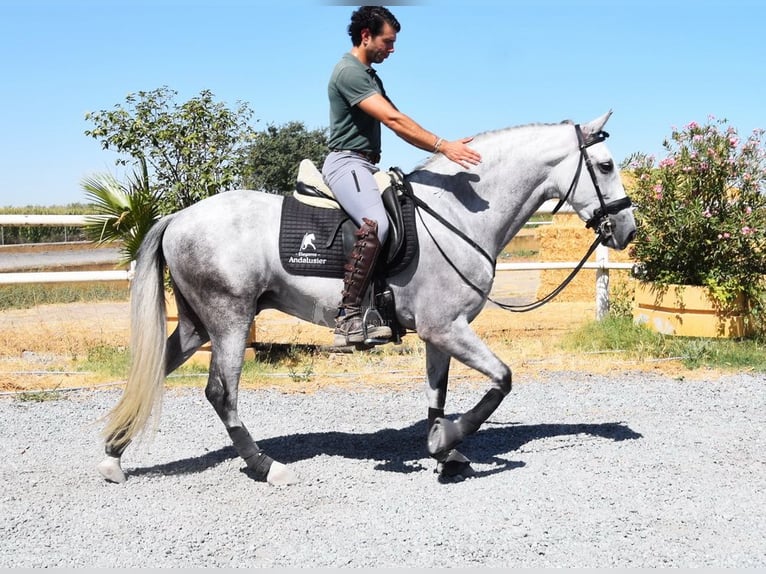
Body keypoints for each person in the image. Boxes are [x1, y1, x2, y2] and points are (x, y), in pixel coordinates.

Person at [323, 5, 482, 347]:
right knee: (376, 223)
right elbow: (394, 122)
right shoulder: (348, 72)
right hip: (346, 163)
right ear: (366, 36)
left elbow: (398, 118)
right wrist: (444, 146)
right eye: (387, 42)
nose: (392, 49)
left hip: (366, 165)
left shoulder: (369, 76)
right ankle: (348, 315)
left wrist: (442, 147)